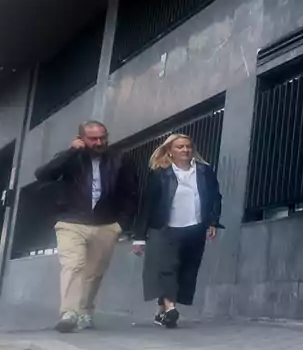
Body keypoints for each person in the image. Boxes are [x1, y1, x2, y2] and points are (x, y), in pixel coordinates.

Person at [34, 121, 138, 333]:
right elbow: (43, 174)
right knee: (73, 265)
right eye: (93, 138)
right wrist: (72, 152)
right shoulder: (71, 158)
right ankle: (69, 312)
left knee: (94, 273)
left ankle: (84, 311)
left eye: (102, 137)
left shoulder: (120, 159)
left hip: (106, 224)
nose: (99, 142)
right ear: (81, 138)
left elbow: (131, 193)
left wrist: (122, 224)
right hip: (71, 221)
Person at [132, 134, 222, 328]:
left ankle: (161, 311)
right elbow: (147, 205)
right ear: (170, 151)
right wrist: (139, 237)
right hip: (164, 228)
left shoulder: (204, 171)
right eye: (180, 147)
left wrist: (212, 222)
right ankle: (171, 309)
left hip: (194, 227)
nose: (185, 150)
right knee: (167, 267)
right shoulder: (159, 173)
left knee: (186, 270)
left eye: (188, 146)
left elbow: (215, 198)